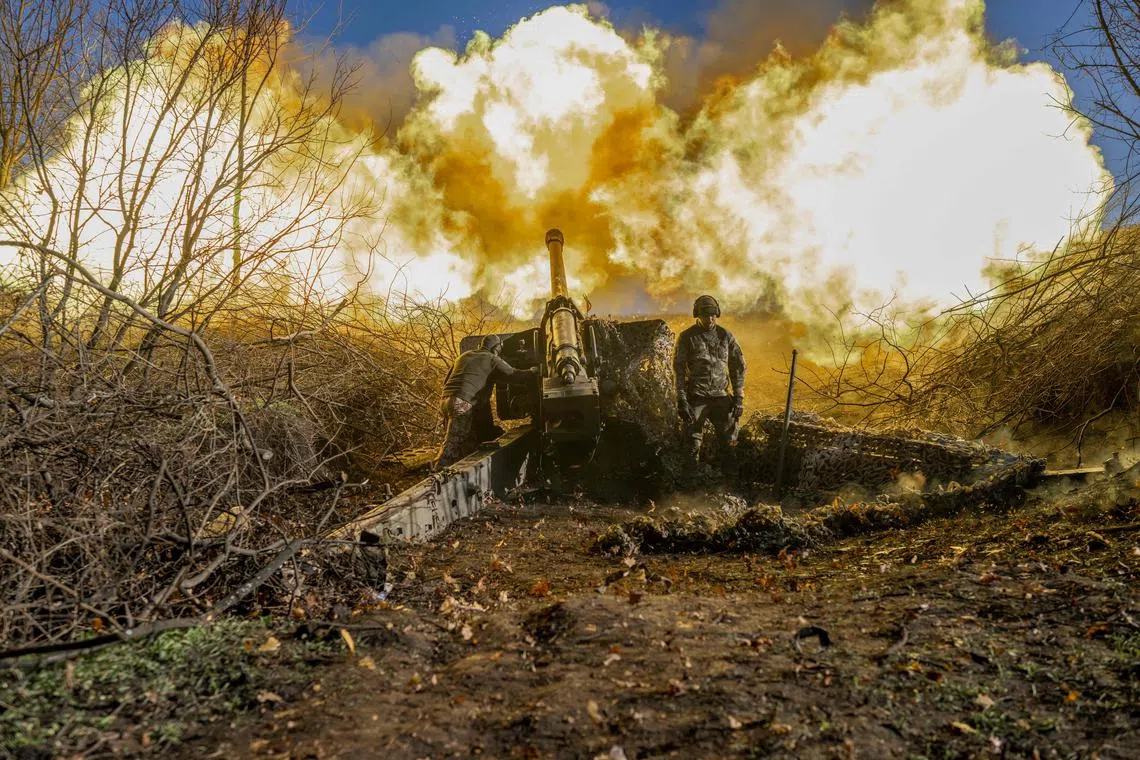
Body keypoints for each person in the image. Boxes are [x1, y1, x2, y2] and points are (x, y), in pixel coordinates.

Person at [434, 334, 537, 470]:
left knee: (468, 440)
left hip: (445, 400)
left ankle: (458, 470)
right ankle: (438, 471)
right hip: (462, 402)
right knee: (455, 440)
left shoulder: (464, 356)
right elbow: (513, 375)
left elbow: (446, 380)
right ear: (496, 348)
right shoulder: (492, 359)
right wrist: (532, 371)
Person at [673, 295, 747, 465]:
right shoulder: (687, 337)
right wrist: (682, 400)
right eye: (706, 315)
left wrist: (739, 397)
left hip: (721, 397)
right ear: (697, 315)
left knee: (730, 441)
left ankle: (730, 480)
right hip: (697, 397)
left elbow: (738, 367)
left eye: (713, 314)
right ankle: (690, 485)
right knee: (692, 443)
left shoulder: (725, 336)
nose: (710, 318)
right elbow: (679, 371)